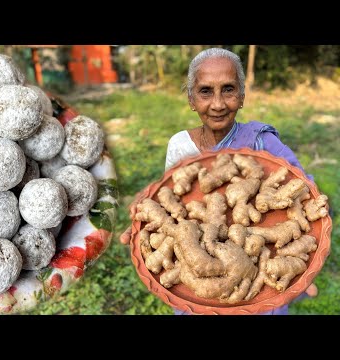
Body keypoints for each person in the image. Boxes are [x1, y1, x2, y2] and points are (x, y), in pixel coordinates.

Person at [120, 47, 318, 315]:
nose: (217, 103)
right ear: (191, 99)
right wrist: (149, 211)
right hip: (197, 291)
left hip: (259, 294)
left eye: (228, 89)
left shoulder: (262, 142)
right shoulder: (180, 145)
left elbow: (306, 190)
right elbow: (170, 197)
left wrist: (302, 248)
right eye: (205, 91)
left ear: (242, 97)